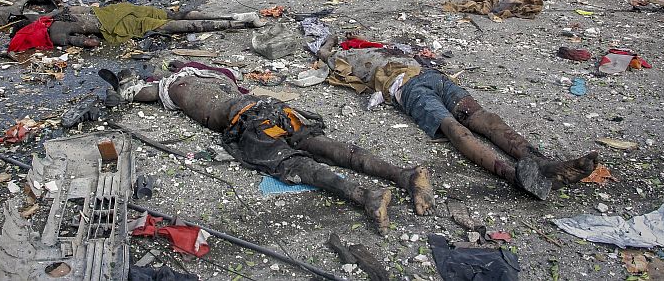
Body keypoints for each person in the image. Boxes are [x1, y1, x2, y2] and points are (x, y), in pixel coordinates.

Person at [119, 63, 436, 231]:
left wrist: (128, 88)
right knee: (322, 145)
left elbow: (137, 92)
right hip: (272, 107)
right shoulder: (218, 76)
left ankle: (365, 195)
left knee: (292, 165)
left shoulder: (172, 86)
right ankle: (404, 175)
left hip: (248, 121)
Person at [316, 38, 598, 201]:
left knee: (484, 118)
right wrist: (331, 44)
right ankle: (515, 176)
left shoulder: (379, 47)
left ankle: (544, 163)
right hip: (407, 88)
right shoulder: (341, 57)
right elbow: (325, 50)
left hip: (432, 77)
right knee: (456, 130)